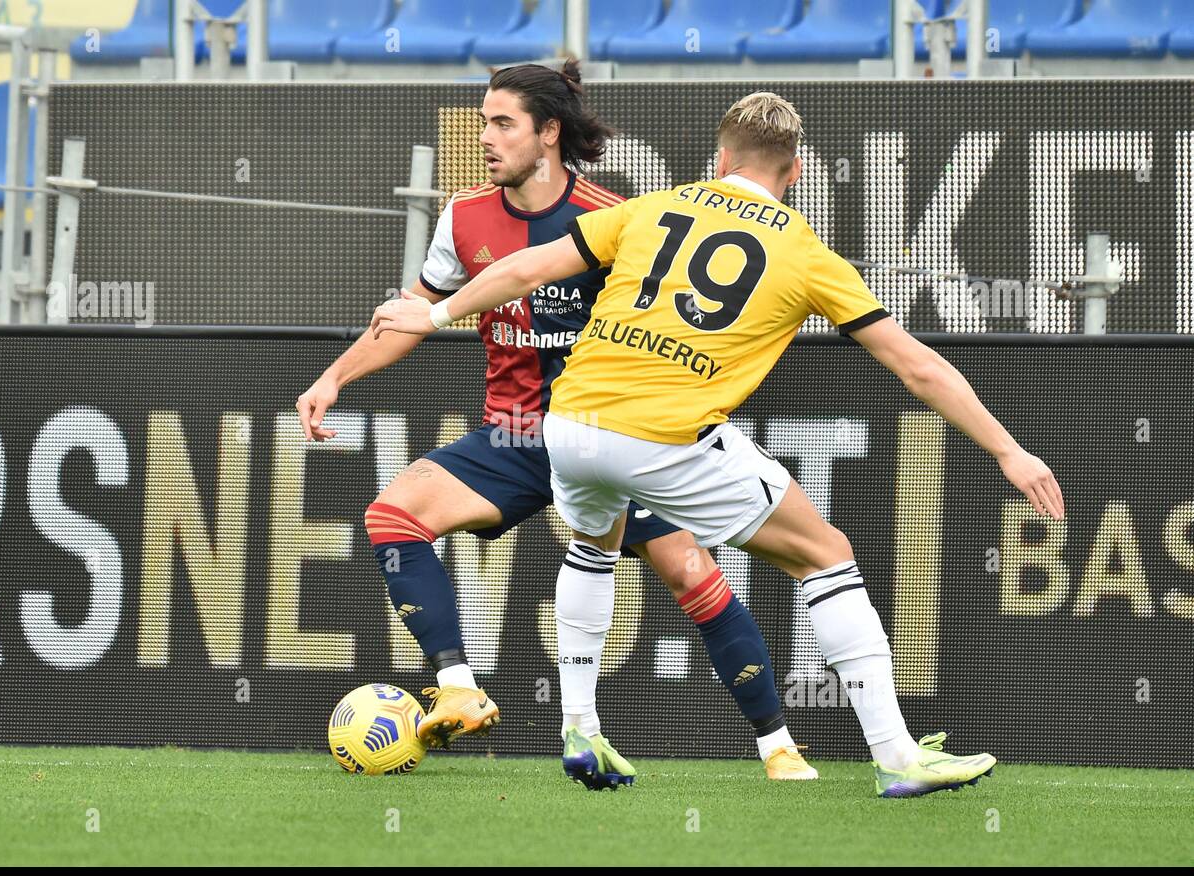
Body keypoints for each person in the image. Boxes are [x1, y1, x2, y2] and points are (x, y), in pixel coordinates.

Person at [370, 90, 1067, 797]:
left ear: (721, 157)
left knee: (594, 544)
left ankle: (579, 725)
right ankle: (897, 756)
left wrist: (434, 313)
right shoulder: (804, 251)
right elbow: (918, 367)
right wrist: (1009, 450)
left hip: (570, 422)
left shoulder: (652, 208)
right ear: (793, 173)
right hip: (663, 436)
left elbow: (526, 269)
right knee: (826, 555)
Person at [299, 66, 815, 790]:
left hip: (605, 436)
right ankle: (456, 686)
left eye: (502, 123)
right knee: (392, 515)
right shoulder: (464, 218)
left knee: (692, 573)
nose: (485, 138)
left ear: (549, 133)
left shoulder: (614, 216)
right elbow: (414, 311)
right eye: (483, 122)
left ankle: (778, 747)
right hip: (512, 437)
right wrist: (335, 377)